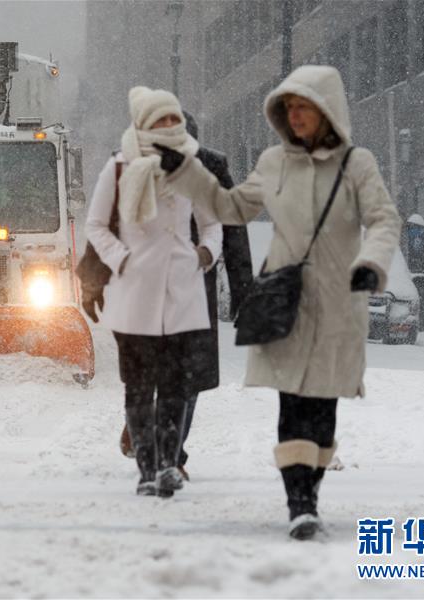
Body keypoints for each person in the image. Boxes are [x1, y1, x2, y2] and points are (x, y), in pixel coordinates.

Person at [156, 66, 401, 539]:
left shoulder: (357, 165)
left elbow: (383, 219)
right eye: (288, 108)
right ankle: (300, 504)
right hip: (287, 302)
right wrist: (187, 174)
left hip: (336, 304)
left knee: (322, 408)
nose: (294, 115)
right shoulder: (272, 163)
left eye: (303, 106)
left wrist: (371, 262)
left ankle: (311, 487)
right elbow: (230, 208)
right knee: (291, 404)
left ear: (327, 110)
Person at [84, 86, 221, 498]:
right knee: (140, 387)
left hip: (182, 290)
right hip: (136, 292)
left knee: (177, 385)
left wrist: (204, 255)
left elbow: (213, 223)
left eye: (172, 118)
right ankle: (146, 468)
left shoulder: (192, 168)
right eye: (160, 119)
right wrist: (120, 259)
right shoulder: (121, 166)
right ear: (143, 123)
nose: (168, 125)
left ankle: (168, 464)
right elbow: (95, 225)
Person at [118, 110, 253, 482]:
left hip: (195, 286)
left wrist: (243, 290)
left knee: (188, 378)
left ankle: (171, 455)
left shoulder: (211, 168)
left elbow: (233, 229)